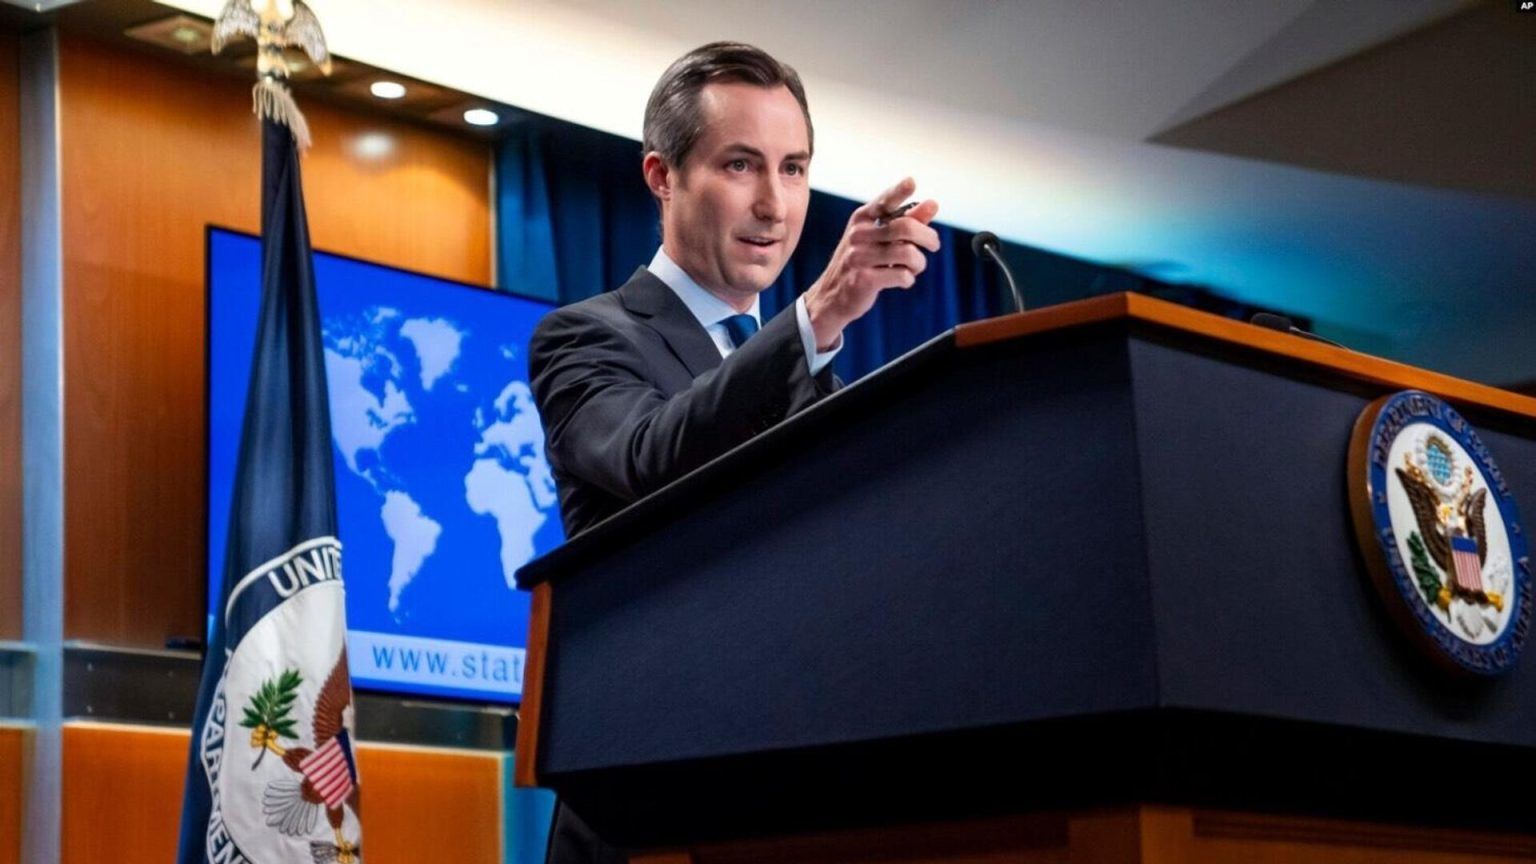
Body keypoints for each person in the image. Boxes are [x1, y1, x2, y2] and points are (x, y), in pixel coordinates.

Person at [528, 41, 941, 862]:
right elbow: (650, 455)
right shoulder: (586, 337)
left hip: (795, 792)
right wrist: (816, 316)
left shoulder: (812, 376)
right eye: (741, 165)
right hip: (650, 798)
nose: (774, 205)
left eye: (794, 169)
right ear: (662, 176)